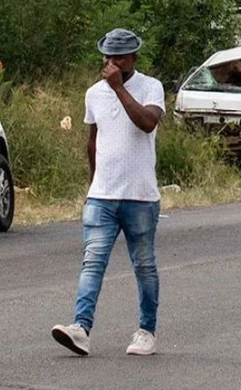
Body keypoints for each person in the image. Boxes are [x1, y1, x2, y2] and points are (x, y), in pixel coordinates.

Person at [53, 29, 166, 357]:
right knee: (92, 262)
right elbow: (93, 139)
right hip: (102, 194)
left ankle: (146, 331)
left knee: (144, 265)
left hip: (140, 196)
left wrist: (118, 89)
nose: (111, 63)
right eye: (107, 57)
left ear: (134, 58)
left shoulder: (150, 87)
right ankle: (81, 328)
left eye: (118, 58)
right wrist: (92, 185)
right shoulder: (93, 94)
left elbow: (147, 123)